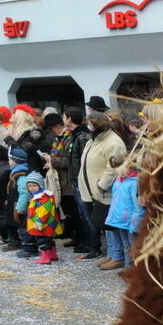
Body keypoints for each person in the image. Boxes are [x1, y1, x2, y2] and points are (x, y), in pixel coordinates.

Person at [77, 111, 126, 260]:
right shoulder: (93, 141)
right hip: (91, 191)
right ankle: (112, 254)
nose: (88, 126)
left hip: (104, 192)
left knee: (111, 225)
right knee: (104, 225)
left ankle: (118, 256)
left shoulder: (113, 142)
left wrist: (102, 185)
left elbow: (113, 167)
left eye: (90, 124)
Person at [61, 107, 93, 254]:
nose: (62, 119)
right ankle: (86, 242)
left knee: (87, 215)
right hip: (76, 180)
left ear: (69, 119)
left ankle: (92, 245)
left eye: (64, 116)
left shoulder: (82, 136)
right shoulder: (75, 135)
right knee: (81, 214)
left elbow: (83, 160)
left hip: (81, 181)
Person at [103, 161, 144, 271]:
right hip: (120, 220)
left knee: (133, 245)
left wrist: (135, 223)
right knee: (126, 244)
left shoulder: (134, 183)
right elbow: (115, 201)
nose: (118, 171)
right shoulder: (119, 180)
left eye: (120, 168)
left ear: (130, 168)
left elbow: (138, 207)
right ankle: (128, 266)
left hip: (130, 221)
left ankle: (137, 268)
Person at [24, 171, 63, 264]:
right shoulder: (37, 196)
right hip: (47, 224)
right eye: (29, 186)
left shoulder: (43, 197)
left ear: (40, 185)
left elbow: (43, 212)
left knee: (42, 241)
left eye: (34, 185)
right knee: (49, 239)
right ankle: (53, 255)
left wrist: (39, 222)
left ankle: (45, 258)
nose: (31, 188)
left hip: (43, 224)